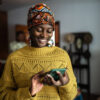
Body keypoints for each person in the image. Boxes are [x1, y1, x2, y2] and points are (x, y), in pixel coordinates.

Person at [0, 3, 77, 100]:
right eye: (39, 29)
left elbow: (71, 96)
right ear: (30, 29)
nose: (44, 35)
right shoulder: (14, 58)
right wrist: (28, 92)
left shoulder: (62, 55)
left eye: (49, 31)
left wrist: (65, 84)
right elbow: (3, 95)